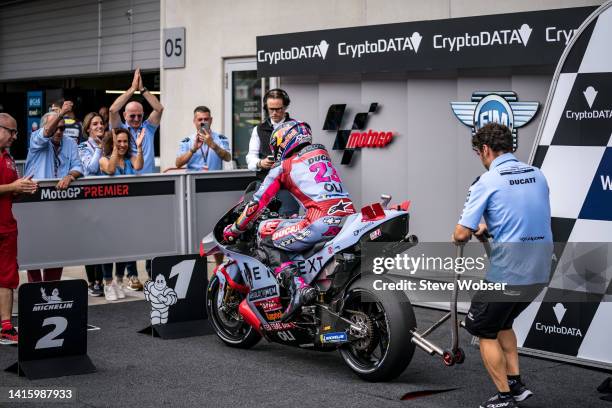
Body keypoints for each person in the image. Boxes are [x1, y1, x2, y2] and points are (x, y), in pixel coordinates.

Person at [452, 123, 552, 408]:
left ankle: (505, 396)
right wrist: (490, 229)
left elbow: (460, 233)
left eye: (478, 153)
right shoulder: (538, 175)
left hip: (508, 273)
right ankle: (517, 386)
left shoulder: (488, 180)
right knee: (502, 322)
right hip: (540, 271)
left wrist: (471, 230)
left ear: (485, 149)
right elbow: (522, 215)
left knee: (483, 329)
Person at [224, 121, 355, 321]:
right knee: (289, 227)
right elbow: (318, 192)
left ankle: (298, 288)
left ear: (284, 141)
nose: (275, 150)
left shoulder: (282, 167)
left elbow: (255, 205)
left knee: (267, 236)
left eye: (276, 145)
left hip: (320, 220)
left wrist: (235, 228)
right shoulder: (321, 154)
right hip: (346, 218)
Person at [109, 67, 163, 283]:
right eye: (132, 115)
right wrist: (132, 89)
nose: (136, 119)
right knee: (130, 233)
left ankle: (152, 274)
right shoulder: (120, 130)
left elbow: (159, 108)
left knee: (150, 232)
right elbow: (113, 110)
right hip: (128, 186)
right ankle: (131, 275)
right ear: (125, 116)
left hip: (149, 186)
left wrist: (144, 90)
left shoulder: (148, 128)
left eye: (139, 115)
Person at [24, 102, 84, 283]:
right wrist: (62, 113)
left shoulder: (69, 143)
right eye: (56, 127)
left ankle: (51, 286)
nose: (59, 131)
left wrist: (70, 176)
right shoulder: (36, 138)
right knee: (34, 251)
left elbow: (78, 166)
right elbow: (46, 134)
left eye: (63, 128)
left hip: (60, 204)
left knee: (56, 250)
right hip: (35, 203)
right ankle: (35, 289)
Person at [0, 113, 38, 342]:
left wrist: (22, 190)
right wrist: (13, 186)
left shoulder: (8, 158)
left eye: (16, 132)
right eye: (11, 131)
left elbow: (11, 195)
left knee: (7, 277)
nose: (15, 136)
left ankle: (6, 325)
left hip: (6, 227)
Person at [246, 88, 299, 216]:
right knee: (262, 222)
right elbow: (250, 157)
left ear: (285, 107)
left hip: (288, 186)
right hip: (264, 185)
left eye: (278, 109)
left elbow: (302, 156)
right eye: (271, 109)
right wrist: (260, 163)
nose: (274, 113)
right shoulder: (258, 129)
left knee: (287, 222)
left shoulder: (296, 128)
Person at [77, 112, 114, 296]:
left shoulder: (110, 146)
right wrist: (99, 149)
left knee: (106, 240)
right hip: (90, 199)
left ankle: (107, 279)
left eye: (101, 123)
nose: (100, 126)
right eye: (95, 124)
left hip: (107, 198)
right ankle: (93, 281)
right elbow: (90, 170)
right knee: (92, 241)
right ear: (88, 128)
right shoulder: (83, 147)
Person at [175, 106, 231, 171]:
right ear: (194, 121)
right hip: (193, 180)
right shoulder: (187, 141)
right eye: (200, 119)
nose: (203, 122)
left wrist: (213, 145)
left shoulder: (220, 138)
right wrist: (193, 150)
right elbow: (178, 164)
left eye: (206, 119)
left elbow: (228, 158)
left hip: (214, 178)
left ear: (211, 120)